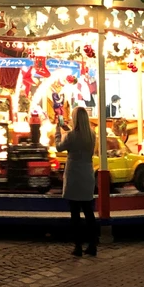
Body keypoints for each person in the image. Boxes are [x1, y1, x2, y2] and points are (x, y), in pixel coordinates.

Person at [56, 106, 98, 257]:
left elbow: (59, 147)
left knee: (75, 213)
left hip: (74, 174)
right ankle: (93, 245)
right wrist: (66, 128)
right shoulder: (92, 135)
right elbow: (77, 137)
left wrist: (57, 131)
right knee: (88, 212)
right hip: (87, 173)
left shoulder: (71, 136)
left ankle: (78, 246)